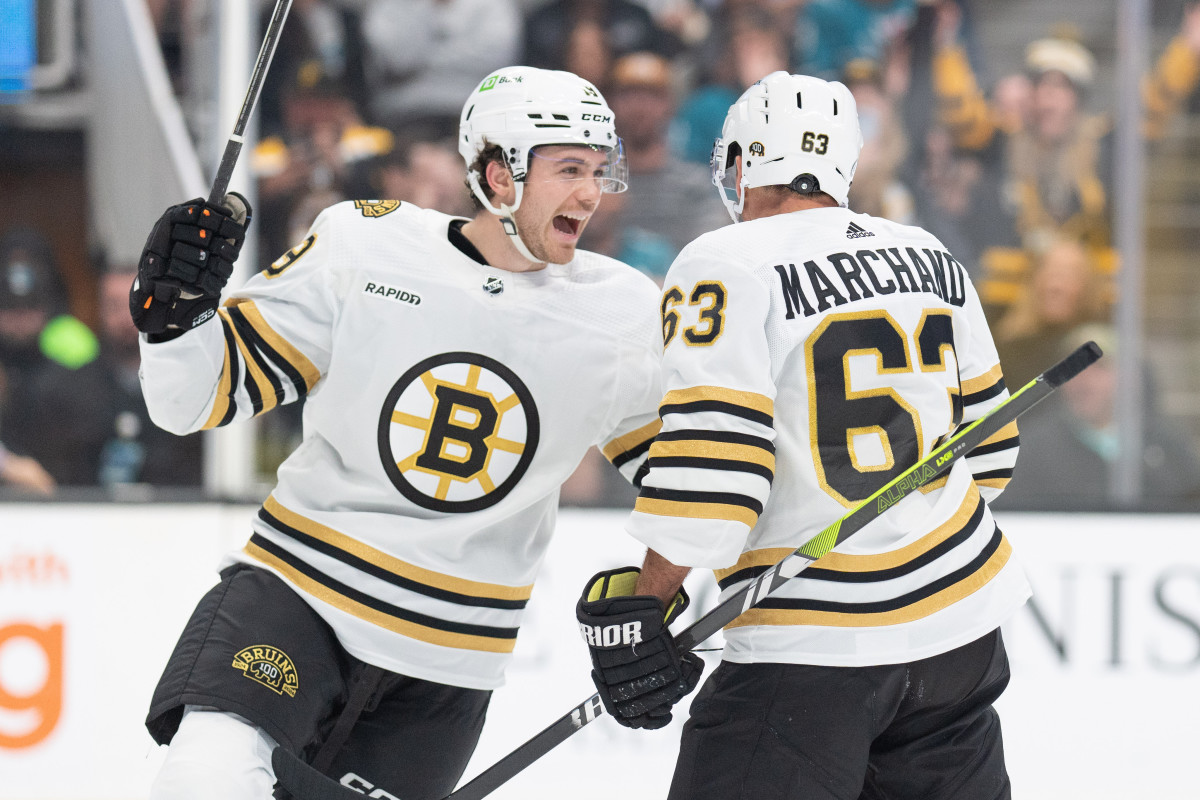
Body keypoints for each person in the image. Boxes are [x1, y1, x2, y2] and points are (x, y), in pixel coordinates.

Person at [133, 66, 664, 799]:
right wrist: (175, 320)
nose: (591, 193)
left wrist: (657, 605)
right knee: (206, 780)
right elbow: (192, 398)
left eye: (599, 172)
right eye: (569, 168)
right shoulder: (364, 245)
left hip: (445, 671)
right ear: (498, 172)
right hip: (298, 599)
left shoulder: (625, 313)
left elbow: (697, 478)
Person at [577, 72, 1027, 799]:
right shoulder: (928, 253)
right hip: (963, 637)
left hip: (809, 656)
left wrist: (649, 603)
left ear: (747, 161)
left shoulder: (722, 264)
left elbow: (715, 471)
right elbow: (995, 452)